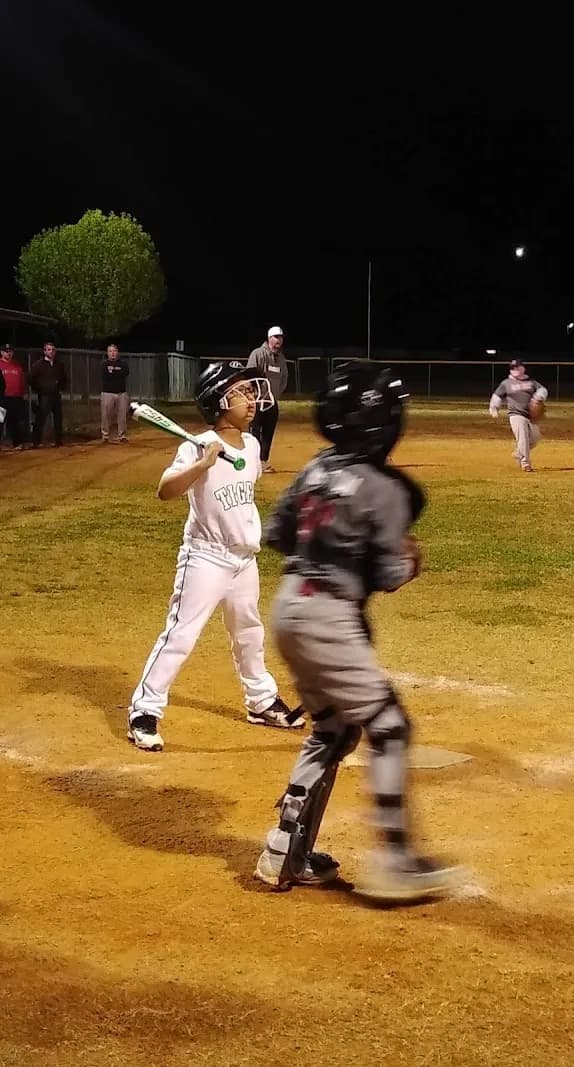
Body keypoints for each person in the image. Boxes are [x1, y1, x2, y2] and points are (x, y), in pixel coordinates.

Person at [253, 361, 462, 902]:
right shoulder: (386, 488)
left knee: (332, 730)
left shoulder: (315, 468)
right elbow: (389, 573)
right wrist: (408, 560)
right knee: (389, 728)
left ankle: (284, 851)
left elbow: (277, 534)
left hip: (289, 606)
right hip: (328, 616)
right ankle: (395, 863)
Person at [126, 361, 305, 752]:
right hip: (206, 558)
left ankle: (260, 701)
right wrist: (203, 463)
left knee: (249, 633)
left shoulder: (252, 446)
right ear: (219, 402)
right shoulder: (196, 445)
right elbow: (165, 491)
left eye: (251, 392)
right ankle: (144, 711)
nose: (252, 400)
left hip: (244, 559)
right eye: (242, 393)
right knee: (181, 635)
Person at [489, 359, 548, 472]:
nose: (515, 370)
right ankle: (525, 463)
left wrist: (538, 397)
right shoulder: (507, 383)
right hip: (516, 414)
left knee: (535, 438)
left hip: (530, 416)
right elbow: (497, 396)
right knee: (523, 438)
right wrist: (494, 408)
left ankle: (518, 453)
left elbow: (543, 390)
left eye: (517, 367)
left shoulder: (531, 382)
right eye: (512, 368)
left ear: (523, 368)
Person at [247, 326, 288, 473]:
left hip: (272, 402)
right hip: (257, 401)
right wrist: (254, 395)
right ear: (269, 338)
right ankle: (253, 462)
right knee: (254, 434)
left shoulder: (281, 358)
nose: (279, 340)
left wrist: (275, 395)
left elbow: (284, 378)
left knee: (268, 433)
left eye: (280, 337)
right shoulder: (258, 354)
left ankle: (263, 462)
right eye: (276, 337)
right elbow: (249, 375)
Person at [29, 341, 67, 448]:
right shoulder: (38, 365)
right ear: (45, 351)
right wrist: (39, 389)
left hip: (56, 395)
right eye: (49, 350)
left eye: (53, 350)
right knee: (41, 418)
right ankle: (36, 442)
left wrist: (61, 388)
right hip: (44, 395)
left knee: (58, 418)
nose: (51, 352)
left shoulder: (59, 364)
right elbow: (30, 378)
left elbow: (64, 378)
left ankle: (58, 441)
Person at [100, 343, 130, 443]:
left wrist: (113, 372)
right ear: (107, 353)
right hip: (107, 393)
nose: (112, 353)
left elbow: (125, 373)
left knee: (122, 415)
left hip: (121, 393)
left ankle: (122, 436)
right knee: (106, 415)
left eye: (114, 351)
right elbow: (106, 376)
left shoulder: (123, 364)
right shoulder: (104, 364)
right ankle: (105, 435)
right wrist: (117, 373)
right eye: (110, 351)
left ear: (117, 352)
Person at [0, 343, 27, 450]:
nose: (9, 353)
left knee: (15, 421)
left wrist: (23, 393)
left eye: (10, 351)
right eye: (6, 351)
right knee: (0, 420)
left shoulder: (17, 365)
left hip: (15, 397)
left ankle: (17, 443)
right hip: (3, 398)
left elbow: (22, 380)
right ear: (1, 352)